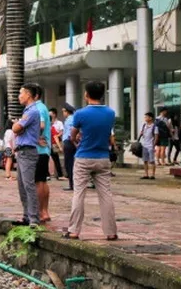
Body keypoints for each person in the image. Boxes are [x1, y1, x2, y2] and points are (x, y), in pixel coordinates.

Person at [63, 81, 117, 241]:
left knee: (79, 193)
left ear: (86, 94)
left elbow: (72, 135)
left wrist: (77, 141)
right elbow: (108, 134)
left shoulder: (80, 114)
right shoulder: (110, 113)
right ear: (102, 95)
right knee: (105, 194)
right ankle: (111, 232)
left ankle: (74, 230)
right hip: (103, 157)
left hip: (84, 156)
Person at [11, 83, 42, 227]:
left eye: (20, 93)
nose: (19, 96)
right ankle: (26, 216)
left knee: (28, 185)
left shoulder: (32, 112)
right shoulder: (27, 111)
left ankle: (34, 218)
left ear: (28, 94)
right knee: (21, 186)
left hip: (28, 151)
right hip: (22, 151)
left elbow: (16, 128)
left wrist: (17, 125)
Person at [31, 85, 53, 223]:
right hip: (44, 150)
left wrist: (33, 136)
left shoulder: (37, 108)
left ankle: (40, 211)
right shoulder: (43, 107)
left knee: (38, 181)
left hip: (38, 150)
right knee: (42, 181)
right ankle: (44, 211)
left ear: (35, 95)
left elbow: (41, 125)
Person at [61, 103, 77, 191]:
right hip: (70, 142)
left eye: (63, 111)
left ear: (67, 112)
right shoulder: (71, 119)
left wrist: (74, 143)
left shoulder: (70, 119)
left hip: (69, 142)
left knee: (69, 164)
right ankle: (72, 184)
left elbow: (71, 133)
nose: (63, 113)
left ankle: (72, 185)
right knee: (70, 164)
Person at [139, 112, 158, 180]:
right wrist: (141, 133)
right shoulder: (144, 125)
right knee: (145, 160)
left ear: (150, 118)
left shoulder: (154, 127)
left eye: (146, 117)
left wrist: (153, 146)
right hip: (144, 145)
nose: (145, 118)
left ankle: (153, 175)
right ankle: (146, 174)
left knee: (152, 161)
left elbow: (156, 137)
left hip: (150, 146)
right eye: (145, 117)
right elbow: (143, 134)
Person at [49, 108, 66, 181]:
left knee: (54, 159)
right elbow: (55, 136)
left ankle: (54, 175)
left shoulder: (58, 123)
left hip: (52, 144)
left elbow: (59, 134)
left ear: (54, 114)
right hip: (50, 144)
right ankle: (59, 175)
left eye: (51, 114)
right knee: (55, 159)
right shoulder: (50, 126)